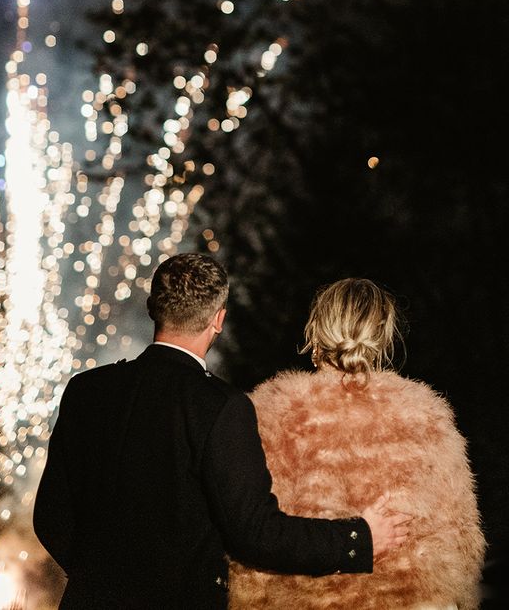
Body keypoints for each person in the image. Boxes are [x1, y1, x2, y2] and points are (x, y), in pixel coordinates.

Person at [33, 255, 412, 609]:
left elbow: (50, 518)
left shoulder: (86, 391)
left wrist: (97, 576)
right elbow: (255, 532)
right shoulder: (221, 407)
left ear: (154, 309)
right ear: (218, 319)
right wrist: (356, 541)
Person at [229, 278, 486, 609]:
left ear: (314, 335)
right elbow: (459, 547)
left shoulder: (272, 415)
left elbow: (252, 548)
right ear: (383, 338)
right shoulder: (425, 418)